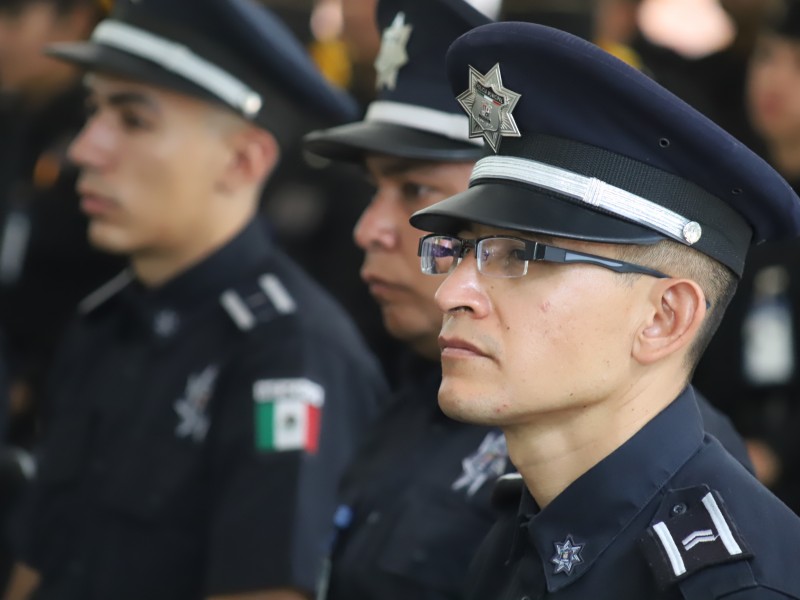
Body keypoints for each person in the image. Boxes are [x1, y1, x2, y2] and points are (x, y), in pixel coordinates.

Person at [3, 0, 387, 598]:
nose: (85, 149)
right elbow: (39, 559)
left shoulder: (288, 356)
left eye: (133, 121)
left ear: (242, 160)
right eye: (93, 110)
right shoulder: (106, 321)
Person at [409, 20, 800, 599]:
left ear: (665, 317)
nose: (451, 294)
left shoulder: (733, 588)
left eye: (518, 254)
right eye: (462, 251)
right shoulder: (525, 524)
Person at [304, 2, 511, 599]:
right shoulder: (410, 394)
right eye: (376, 190)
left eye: (417, 191)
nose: (370, 229)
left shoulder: (579, 437)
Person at [0, 0, 125, 450]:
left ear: (75, 21)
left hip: (64, 399)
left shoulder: (95, 145)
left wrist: (32, 381)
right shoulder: (17, 120)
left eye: (13, 16)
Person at [694, 0, 800, 513]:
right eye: (766, 58)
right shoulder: (732, 197)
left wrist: (780, 451)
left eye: (799, 65)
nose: (775, 80)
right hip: (718, 454)